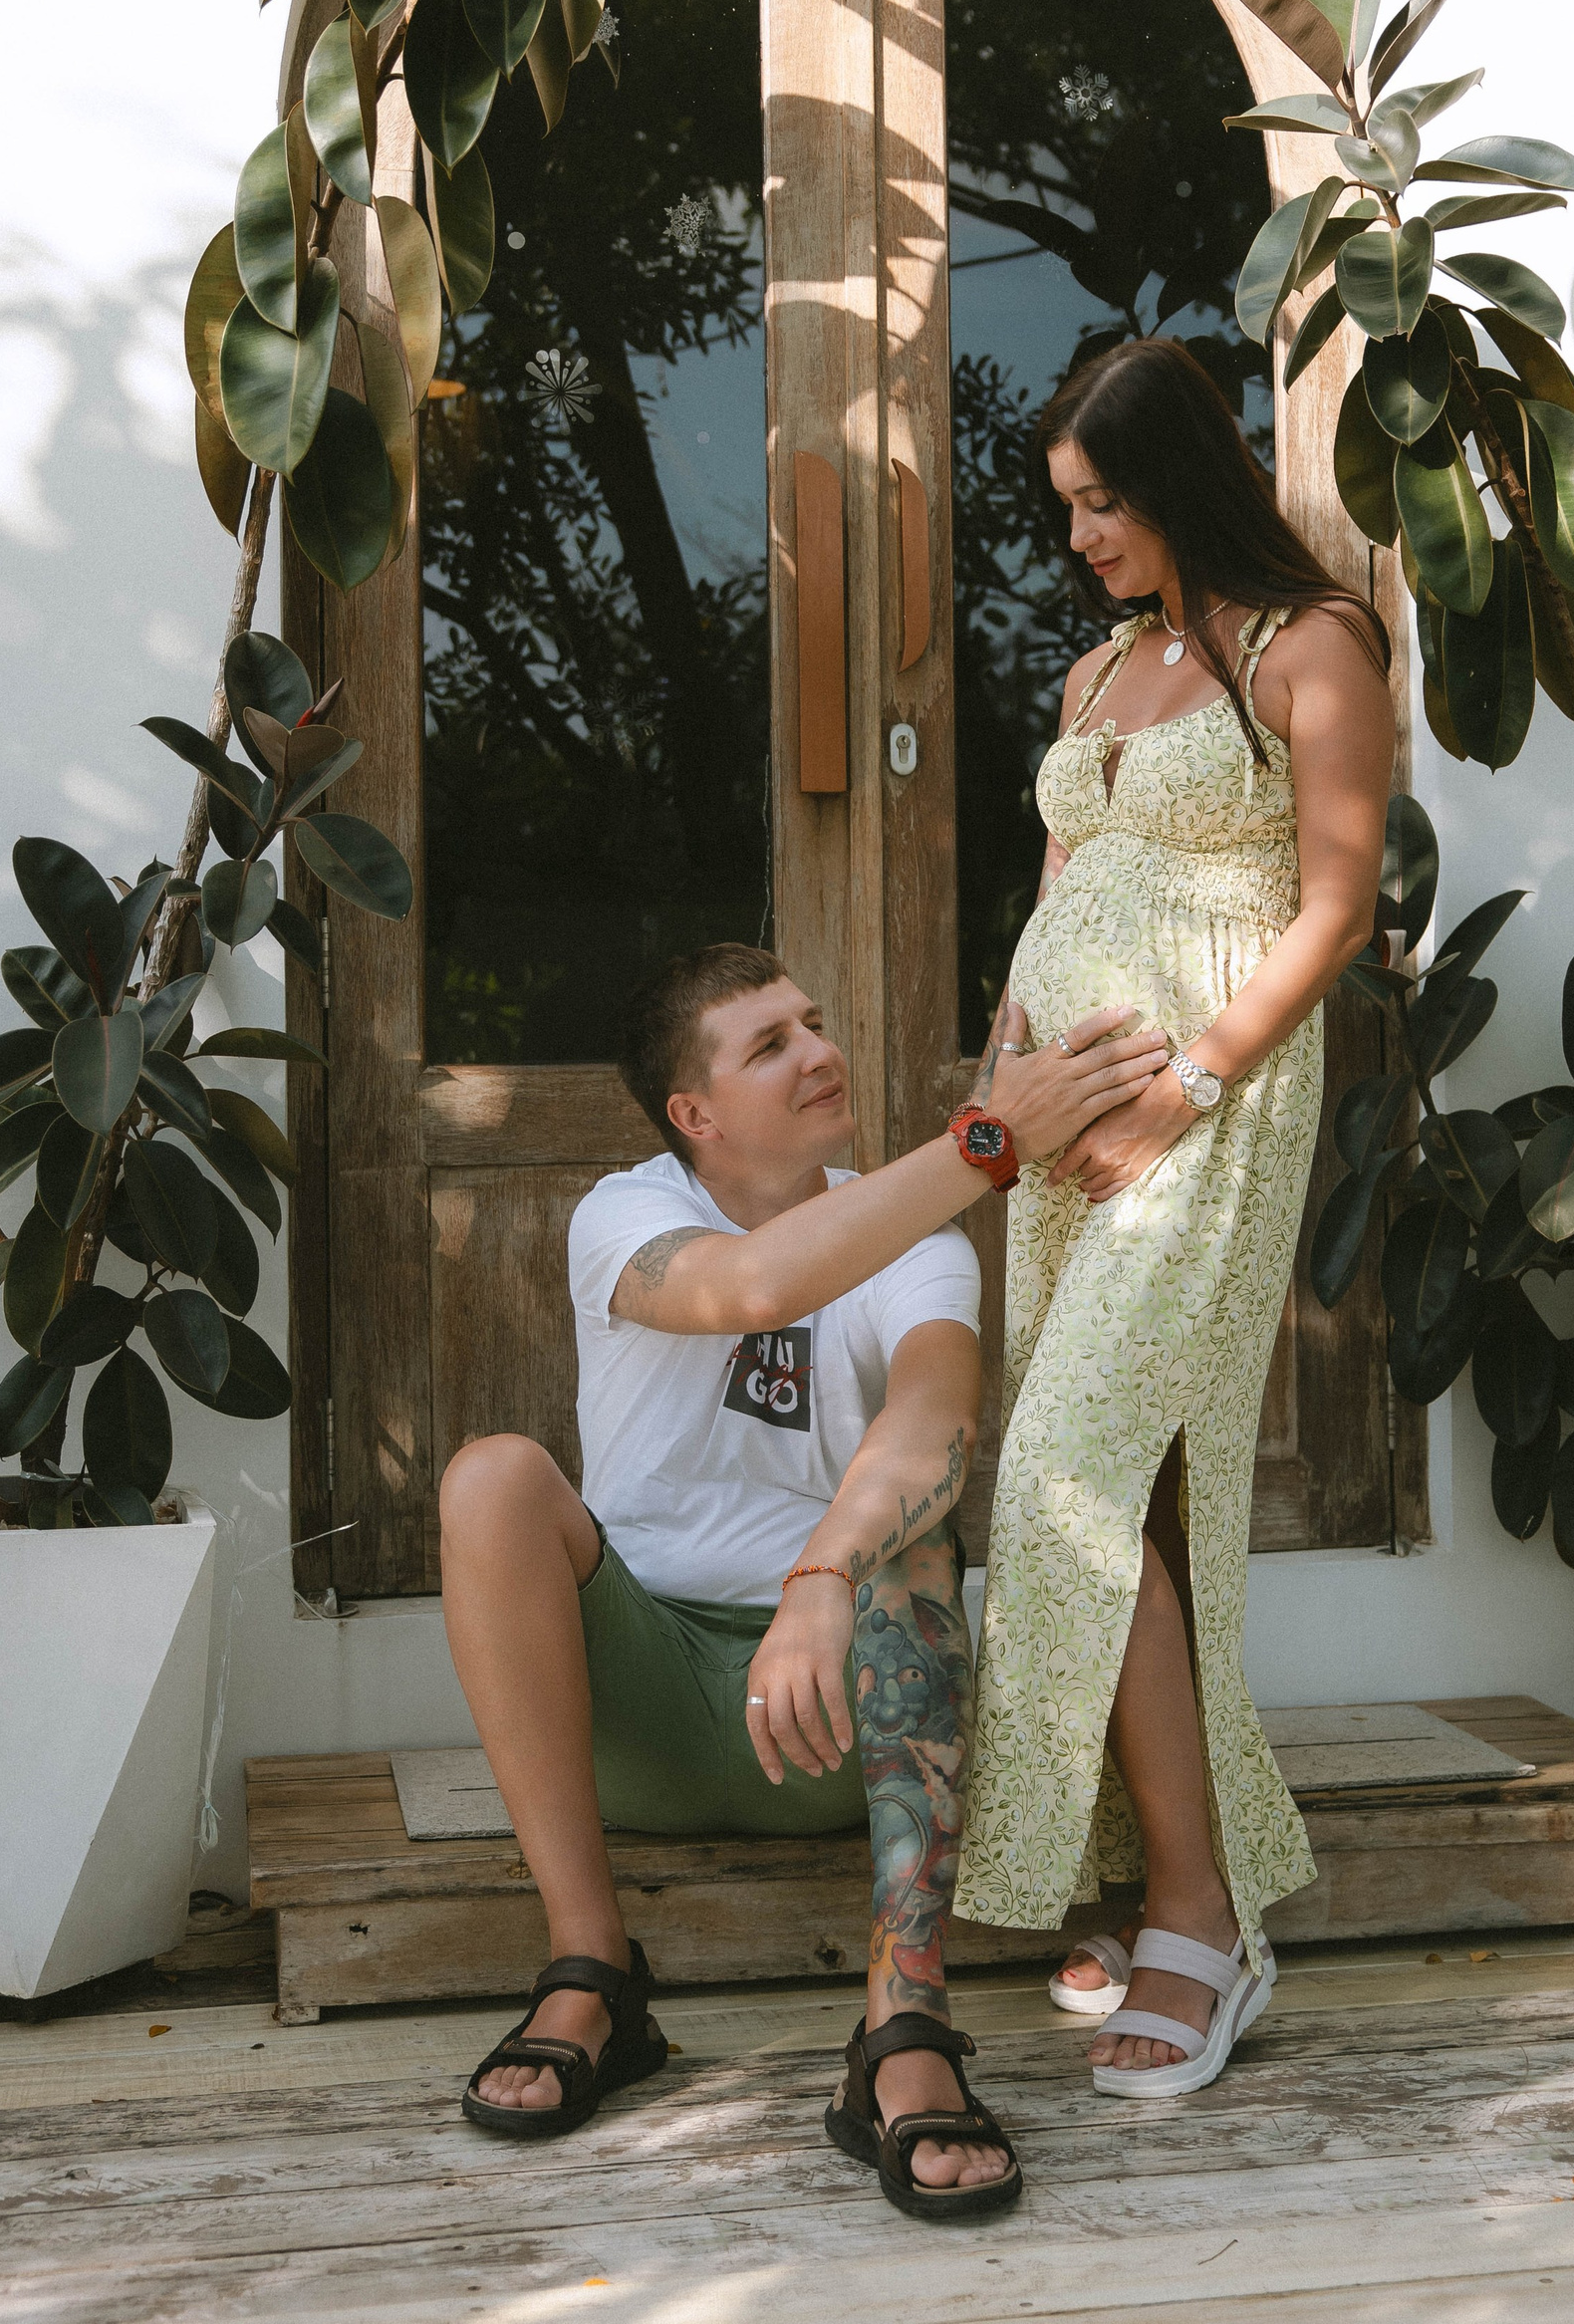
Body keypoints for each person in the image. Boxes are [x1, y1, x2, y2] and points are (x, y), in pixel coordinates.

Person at [437, 940, 1169, 2215]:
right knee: (492, 1477)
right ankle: (591, 1968)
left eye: (814, 1023)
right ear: (695, 1115)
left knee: (916, 1531)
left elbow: (935, 1424)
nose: (820, 1052)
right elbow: (752, 1284)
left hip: (853, 1710)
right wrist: (991, 1140)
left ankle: (905, 2027)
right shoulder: (625, 1215)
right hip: (648, 1704)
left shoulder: (920, 1237)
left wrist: (823, 1574)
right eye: (770, 1044)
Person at [951, 337, 1395, 2100]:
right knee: (1121, 1491)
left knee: (1070, 1466)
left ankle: (1202, 1916)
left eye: (1103, 503)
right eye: (1066, 508)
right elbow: (1057, 898)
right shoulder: (1097, 676)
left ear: (1182, 482)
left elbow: (1337, 905)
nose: (1079, 539)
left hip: (1209, 1106)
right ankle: (1152, 1867)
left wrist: (1185, 1091)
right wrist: (1004, 1091)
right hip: (1065, 1118)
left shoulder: (1312, 645)